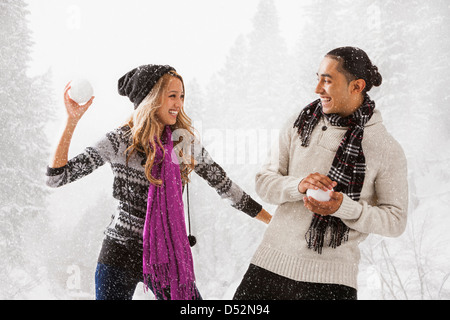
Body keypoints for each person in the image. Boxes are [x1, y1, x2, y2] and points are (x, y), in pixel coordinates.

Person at [46, 64, 272, 300]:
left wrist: (271, 221)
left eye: (182, 96)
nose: (179, 104)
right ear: (151, 98)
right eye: (172, 96)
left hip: (166, 256)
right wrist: (71, 121)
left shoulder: (183, 142)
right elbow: (57, 177)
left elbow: (225, 187)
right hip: (119, 254)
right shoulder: (119, 141)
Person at [233, 47, 408, 300]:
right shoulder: (300, 123)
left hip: (331, 282)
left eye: (327, 80)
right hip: (269, 267)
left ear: (356, 86)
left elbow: (395, 220)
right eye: (318, 78)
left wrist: (344, 207)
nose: (317, 89)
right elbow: (264, 182)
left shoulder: (385, 147)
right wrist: (299, 185)